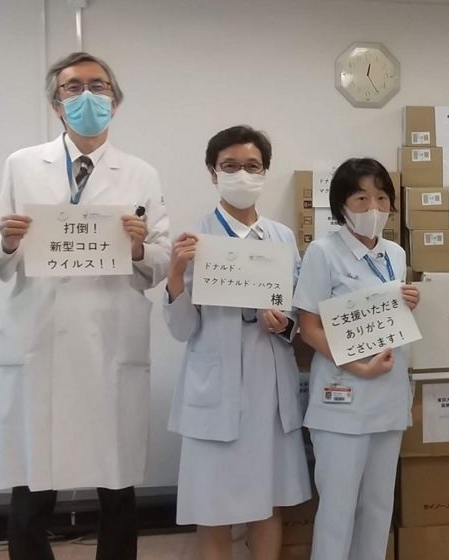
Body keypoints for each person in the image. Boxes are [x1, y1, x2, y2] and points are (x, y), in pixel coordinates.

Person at [0, 52, 170, 560]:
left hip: (109, 341)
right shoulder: (22, 165)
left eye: (99, 86)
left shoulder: (141, 175)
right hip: (39, 338)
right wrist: (6, 240)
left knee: (117, 485)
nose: (87, 96)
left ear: (115, 100)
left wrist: (137, 249)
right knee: (32, 485)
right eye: (72, 87)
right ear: (55, 102)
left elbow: (163, 259)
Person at [163, 125, 310, 560]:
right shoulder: (196, 239)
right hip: (216, 388)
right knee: (213, 508)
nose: (241, 175)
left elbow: (298, 315)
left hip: (269, 387)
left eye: (252, 166)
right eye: (230, 166)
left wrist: (284, 322)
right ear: (213, 172)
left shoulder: (282, 238)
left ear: (264, 173)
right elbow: (181, 329)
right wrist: (174, 276)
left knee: (268, 501)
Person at [293, 158, 419, 560]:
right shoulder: (322, 252)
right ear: (341, 204)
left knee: (378, 507)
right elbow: (309, 328)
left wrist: (408, 302)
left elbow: (385, 316)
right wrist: (358, 366)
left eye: (382, 198)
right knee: (337, 510)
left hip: (388, 396)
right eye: (361, 198)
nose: (373, 208)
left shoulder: (395, 254)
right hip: (342, 396)